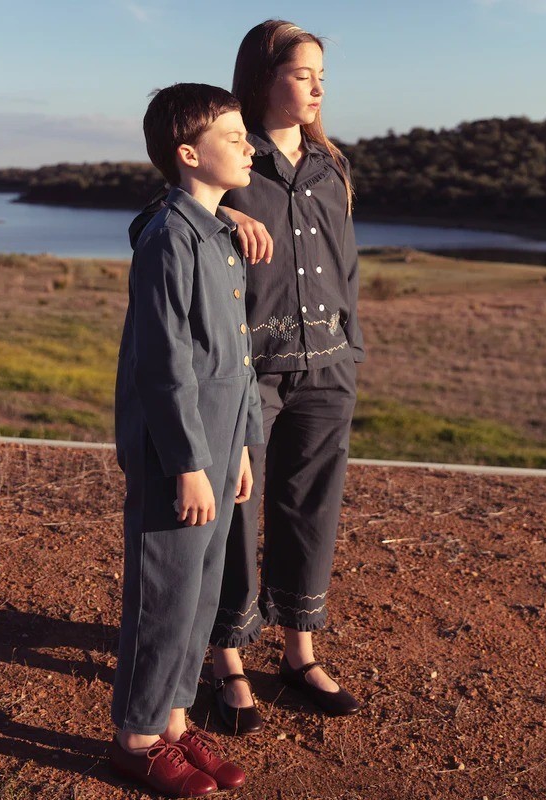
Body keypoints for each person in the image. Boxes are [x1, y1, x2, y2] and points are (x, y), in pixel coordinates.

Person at [130, 20, 365, 735]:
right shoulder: (229, 153)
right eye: (302, 74)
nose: (317, 87)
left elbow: (347, 264)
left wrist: (351, 345)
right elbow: (154, 225)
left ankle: (299, 651)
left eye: (322, 74)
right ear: (265, 78)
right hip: (250, 374)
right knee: (236, 513)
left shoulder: (330, 167)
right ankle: (227, 655)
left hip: (327, 364)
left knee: (311, 509)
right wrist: (223, 212)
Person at [108, 83, 263, 797]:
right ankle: (137, 740)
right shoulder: (169, 237)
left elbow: (236, 355)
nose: (249, 147)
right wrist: (188, 464)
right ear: (188, 154)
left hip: (218, 443)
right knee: (165, 594)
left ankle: (173, 721)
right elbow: (163, 363)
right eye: (233, 137)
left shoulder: (219, 234)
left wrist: (241, 445)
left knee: (200, 594)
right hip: (178, 453)